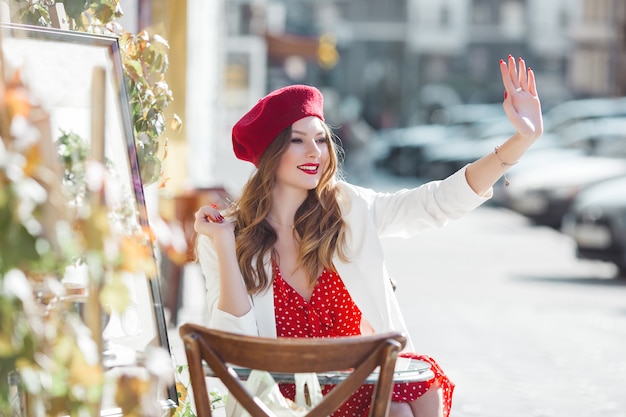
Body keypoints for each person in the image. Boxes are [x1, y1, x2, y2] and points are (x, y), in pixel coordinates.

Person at [193, 55, 543, 417]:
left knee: (413, 397)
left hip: (356, 384)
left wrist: (520, 141)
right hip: (276, 402)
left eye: (321, 139)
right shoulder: (227, 234)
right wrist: (222, 243)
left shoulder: (350, 209)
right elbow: (233, 345)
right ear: (269, 154)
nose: (315, 152)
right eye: (297, 141)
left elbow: (436, 202)